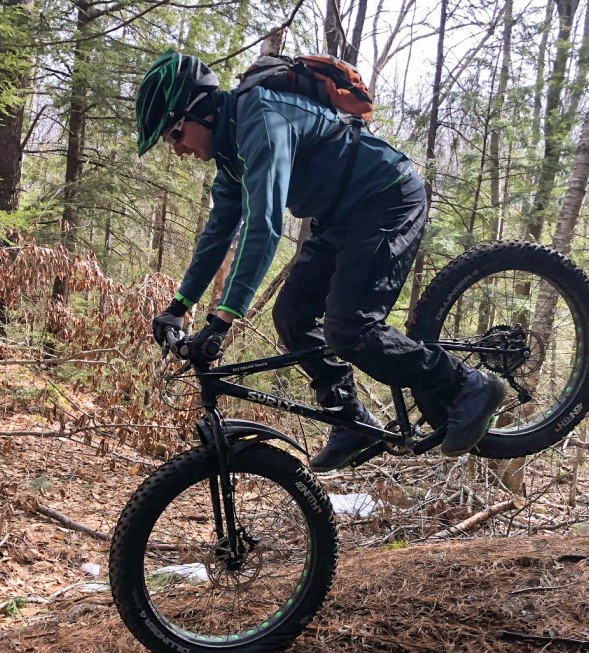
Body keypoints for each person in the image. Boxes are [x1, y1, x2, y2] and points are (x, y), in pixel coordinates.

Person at [139, 51, 504, 472]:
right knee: (292, 316)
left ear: (200, 110)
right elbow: (217, 235)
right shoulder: (229, 157)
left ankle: (467, 385)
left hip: (386, 197)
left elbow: (264, 225)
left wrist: (223, 320)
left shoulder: (260, 117)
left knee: (351, 328)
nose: (178, 149)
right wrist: (179, 307)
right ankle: (349, 418)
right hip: (338, 217)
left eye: (175, 134)